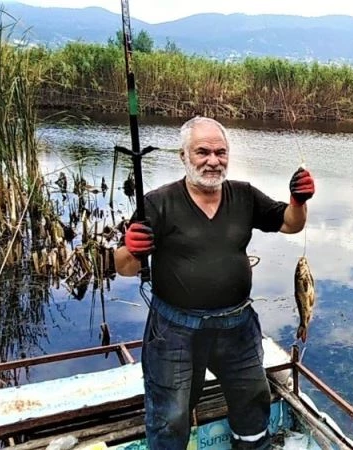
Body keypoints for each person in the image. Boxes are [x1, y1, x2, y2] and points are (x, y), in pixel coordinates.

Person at [114, 116, 315, 450]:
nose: (212, 160)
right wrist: (129, 248)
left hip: (237, 326)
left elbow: (290, 225)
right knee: (171, 412)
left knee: (253, 399)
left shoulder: (244, 196)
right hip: (174, 329)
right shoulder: (158, 202)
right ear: (184, 157)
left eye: (220, 152)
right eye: (202, 152)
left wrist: (298, 201)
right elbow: (125, 267)